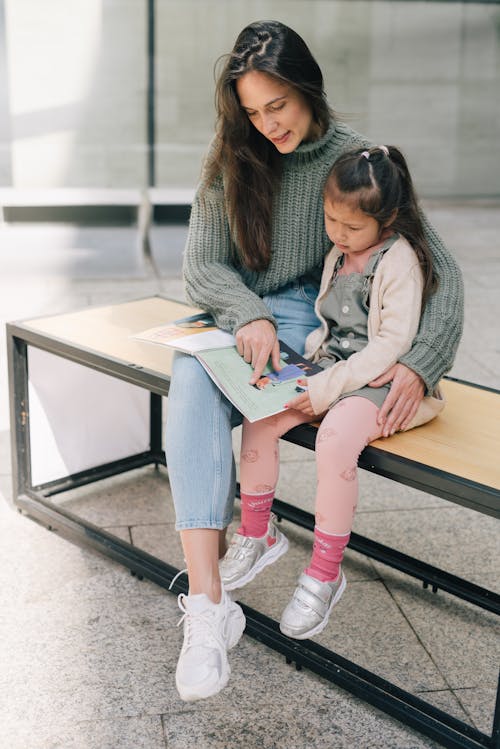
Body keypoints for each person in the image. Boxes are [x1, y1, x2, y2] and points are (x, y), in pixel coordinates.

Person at [165, 21, 464, 701]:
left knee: (220, 388)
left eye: (279, 106)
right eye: (252, 111)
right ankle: (209, 607)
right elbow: (201, 265)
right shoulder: (232, 158)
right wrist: (250, 313)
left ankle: (253, 552)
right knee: (189, 374)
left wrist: (420, 363)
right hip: (250, 317)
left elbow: (440, 270)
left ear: (307, 88)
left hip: (320, 320)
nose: (267, 124)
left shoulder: (356, 158)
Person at [219, 144, 448, 640]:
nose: (338, 235)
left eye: (352, 227)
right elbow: (331, 325)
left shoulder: (399, 260)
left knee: (336, 440)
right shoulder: (340, 253)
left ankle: (325, 571)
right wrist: (302, 368)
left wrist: (324, 387)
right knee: (260, 413)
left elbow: (390, 346)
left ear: (387, 220)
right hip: (334, 370)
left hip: (382, 383)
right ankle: (257, 532)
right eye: (331, 221)